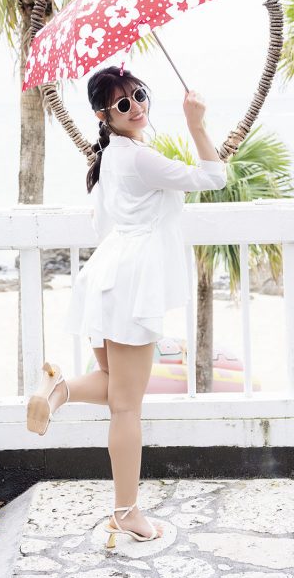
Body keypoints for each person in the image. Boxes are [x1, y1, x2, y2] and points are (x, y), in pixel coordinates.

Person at [25, 65, 227, 545]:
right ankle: (126, 512)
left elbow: (105, 226)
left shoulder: (109, 159)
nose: (135, 106)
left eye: (138, 95)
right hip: (132, 284)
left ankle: (58, 388)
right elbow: (214, 177)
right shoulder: (139, 159)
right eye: (122, 103)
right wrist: (197, 123)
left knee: (116, 387)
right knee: (127, 409)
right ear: (104, 115)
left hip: (105, 277)